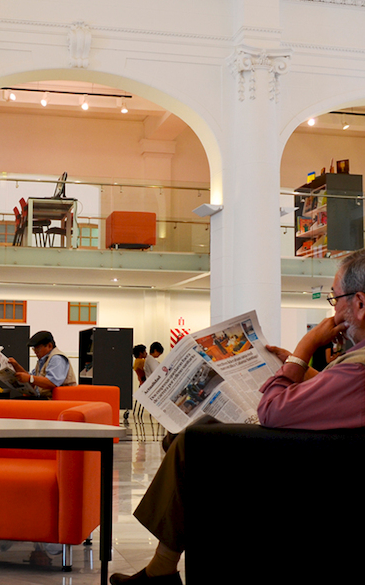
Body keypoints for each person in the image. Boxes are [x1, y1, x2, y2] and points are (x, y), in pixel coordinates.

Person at [110, 248, 365, 585]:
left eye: (335, 299)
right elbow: (337, 398)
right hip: (320, 458)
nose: (332, 311)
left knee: (191, 440)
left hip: (306, 472)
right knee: (184, 436)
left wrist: (304, 349)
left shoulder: (358, 368)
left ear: (359, 304)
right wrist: (297, 367)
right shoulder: (356, 363)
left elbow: (272, 410)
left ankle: (161, 569)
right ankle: (162, 567)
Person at [8, 330, 76, 398]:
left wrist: (30, 378)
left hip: (54, 401)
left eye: (37, 348)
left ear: (49, 346)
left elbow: (52, 382)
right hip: (43, 397)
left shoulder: (57, 358)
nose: (35, 352)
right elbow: (31, 377)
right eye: (34, 349)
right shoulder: (43, 360)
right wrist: (16, 366)